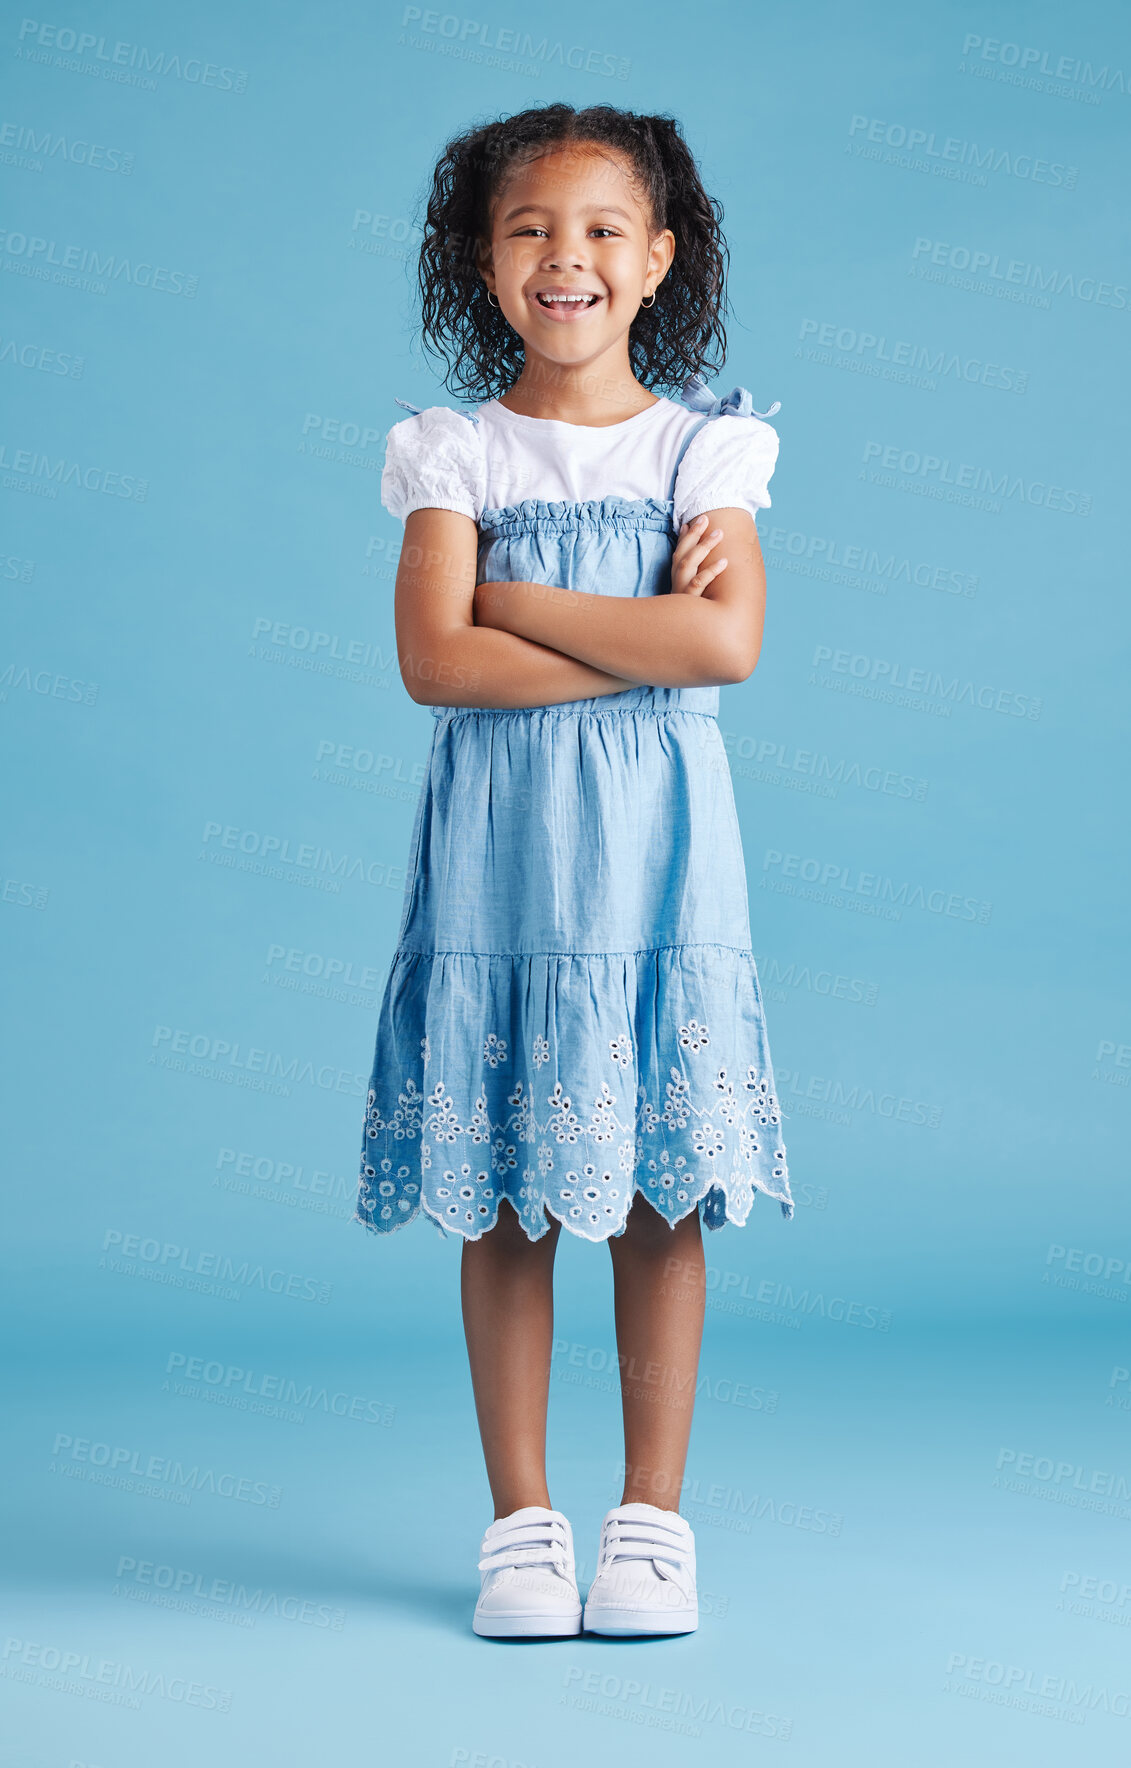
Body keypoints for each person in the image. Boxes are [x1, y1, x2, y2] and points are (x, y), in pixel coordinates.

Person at [355, 101, 795, 1640]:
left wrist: (517, 598)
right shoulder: (448, 448)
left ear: (660, 258)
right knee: (508, 1200)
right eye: (531, 229)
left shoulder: (706, 445)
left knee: (662, 1195)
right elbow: (432, 660)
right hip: (504, 876)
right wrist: (629, 637)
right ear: (481, 263)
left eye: (606, 229)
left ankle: (652, 1522)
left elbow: (725, 644)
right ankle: (522, 1526)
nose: (569, 258)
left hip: (665, 881)